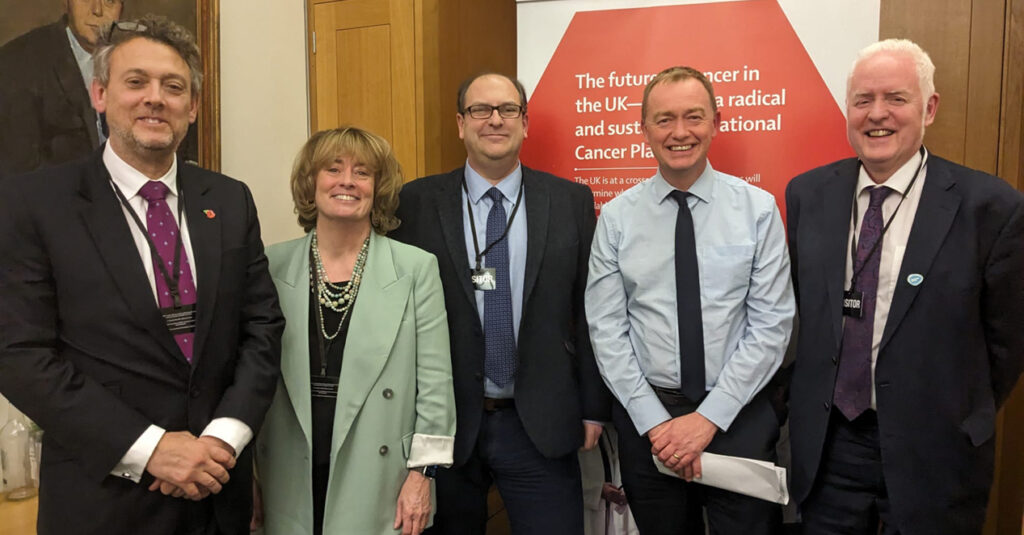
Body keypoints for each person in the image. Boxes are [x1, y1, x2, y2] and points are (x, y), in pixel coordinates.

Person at [0, 15, 284, 535]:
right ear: (101, 94)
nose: (155, 98)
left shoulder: (228, 199)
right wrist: (150, 448)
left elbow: (262, 328)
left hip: (217, 495)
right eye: (136, 82)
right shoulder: (35, 204)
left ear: (192, 107)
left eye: (173, 87)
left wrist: (222, 439)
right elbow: (21, 355)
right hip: (104, 500)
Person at [786, 38, 1024, 535]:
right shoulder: (808, 194)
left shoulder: (991, 206)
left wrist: (952, 411)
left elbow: (1006, 345)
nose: (878, 115)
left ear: (929, 107)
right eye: (862, 100)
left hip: (935, 450)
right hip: (831, 451)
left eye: (896, 98)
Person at [390, 72, 611, 534]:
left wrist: (594, 406)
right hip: (446, 425)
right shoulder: (416, 202)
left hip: (540, 423)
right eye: (480, 110)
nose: (495, 120)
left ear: (525, 123)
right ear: (460, 123)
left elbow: (590, 309)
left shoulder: (569, 200)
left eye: (508, 109)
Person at [585, 66, 795, 534]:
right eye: (664, 119)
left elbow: (772, 326)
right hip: (649, 423)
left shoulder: (757, 210)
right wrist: (657, 424)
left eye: (694, 117)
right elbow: (607, 331)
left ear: (716, 123)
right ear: (643, 129)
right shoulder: (617, 219)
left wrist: (707, 419)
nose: (680, 132)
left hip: (737, 417)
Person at [254, 126, 456, 535]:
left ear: (377, 189)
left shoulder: (415, 268)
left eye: (363, 172)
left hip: (383, 473)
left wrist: (423, 476)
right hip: (288, 466)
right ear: (311, 183)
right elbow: (247, 374)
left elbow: (436, 384)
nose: (347, 181)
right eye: (333, 169)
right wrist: (248, 476)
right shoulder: (270, 266)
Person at [0, 0, 123, 175]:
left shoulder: (133, 54)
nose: (98, 10)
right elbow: (20, 176)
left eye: (110, 1)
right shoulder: (17, 63)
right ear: (66, 3)